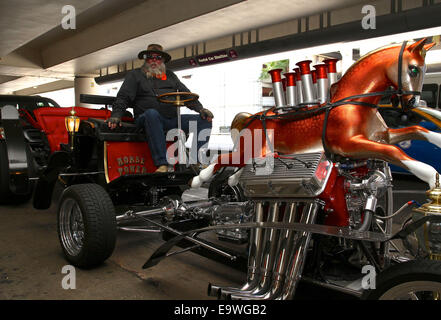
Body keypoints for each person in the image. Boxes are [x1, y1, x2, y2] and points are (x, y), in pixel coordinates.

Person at [108, 44, 213, 173]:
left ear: (162, 60)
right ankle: (162, 163)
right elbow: (123, 97)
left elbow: (186, 94)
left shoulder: (170, 76)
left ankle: (197, 160)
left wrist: (201, 109)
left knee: (204, 120)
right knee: (152, 114)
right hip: (145, 119)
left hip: (171, 119)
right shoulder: (134, 75)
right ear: (145, 59)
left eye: (158, 58)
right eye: (150, 57)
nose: (154, 60)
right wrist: (116, 115)